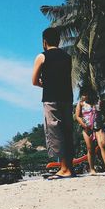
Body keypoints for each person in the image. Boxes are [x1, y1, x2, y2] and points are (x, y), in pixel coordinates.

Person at [32, 27, 75, 179]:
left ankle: (64, 169)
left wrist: (45, 83)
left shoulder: (42, 57)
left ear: (44, 42)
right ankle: (69, 167)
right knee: (67, 131)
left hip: (51, 98)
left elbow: (34, 81)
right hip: (67, 97)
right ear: (59, 40)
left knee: (55, 131)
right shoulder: (67, 57)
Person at [75, 86, 105, 175]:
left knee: (103, 145)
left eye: (85, 94)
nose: (83, 96)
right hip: (87, 128)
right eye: (82, 95)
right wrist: (84, 125)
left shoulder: (98, 102)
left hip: (99, 127)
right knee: (90, 149)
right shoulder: (81, 104)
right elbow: (77, 116)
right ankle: (91, 169)